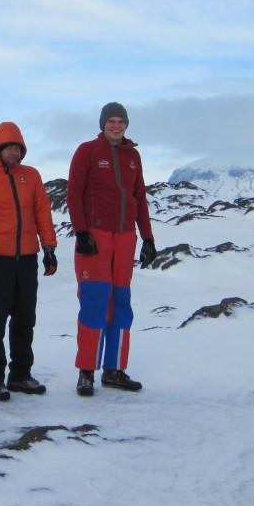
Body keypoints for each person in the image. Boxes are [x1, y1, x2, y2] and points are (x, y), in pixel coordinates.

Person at [66, 102, 157, 397]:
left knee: (121, 303)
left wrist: (148, 238)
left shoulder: (133, 156)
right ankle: (86, 372)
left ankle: (114, 370)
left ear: (126, 124)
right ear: (103, 124)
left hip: (126, 237)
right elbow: (73, 192)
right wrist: (82, 232)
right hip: (96, 238)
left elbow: (139, 198)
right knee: (95, 302)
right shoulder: (88, 151)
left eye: (121, 121)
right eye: (111, 121)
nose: (116, 126)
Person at [0, 122, 58, 401]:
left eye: (18, 148)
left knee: (25, 320)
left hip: (27, 260)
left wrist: (49, 248)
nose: (14, 153)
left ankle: (20, 375)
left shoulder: (32, 176)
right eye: (9, 148)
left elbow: (42, 213)